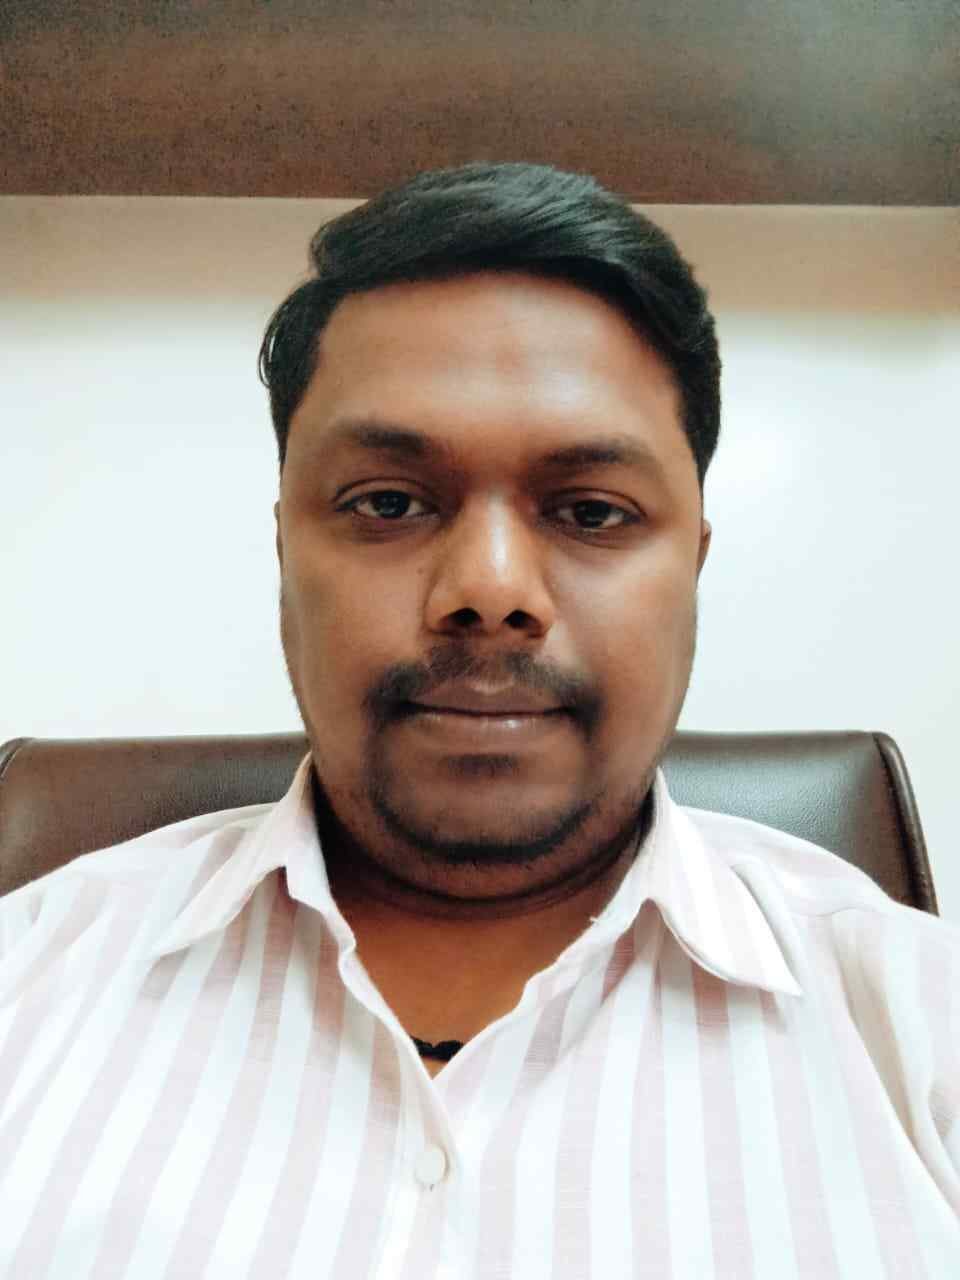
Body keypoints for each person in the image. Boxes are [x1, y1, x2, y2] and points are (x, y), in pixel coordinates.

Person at [0, 162, 957, 1279]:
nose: (490, 589)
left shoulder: (921, 1024)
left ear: (692, 566)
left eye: (591, 511)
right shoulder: (31, 976)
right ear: (284, 552)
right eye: (388, 502)